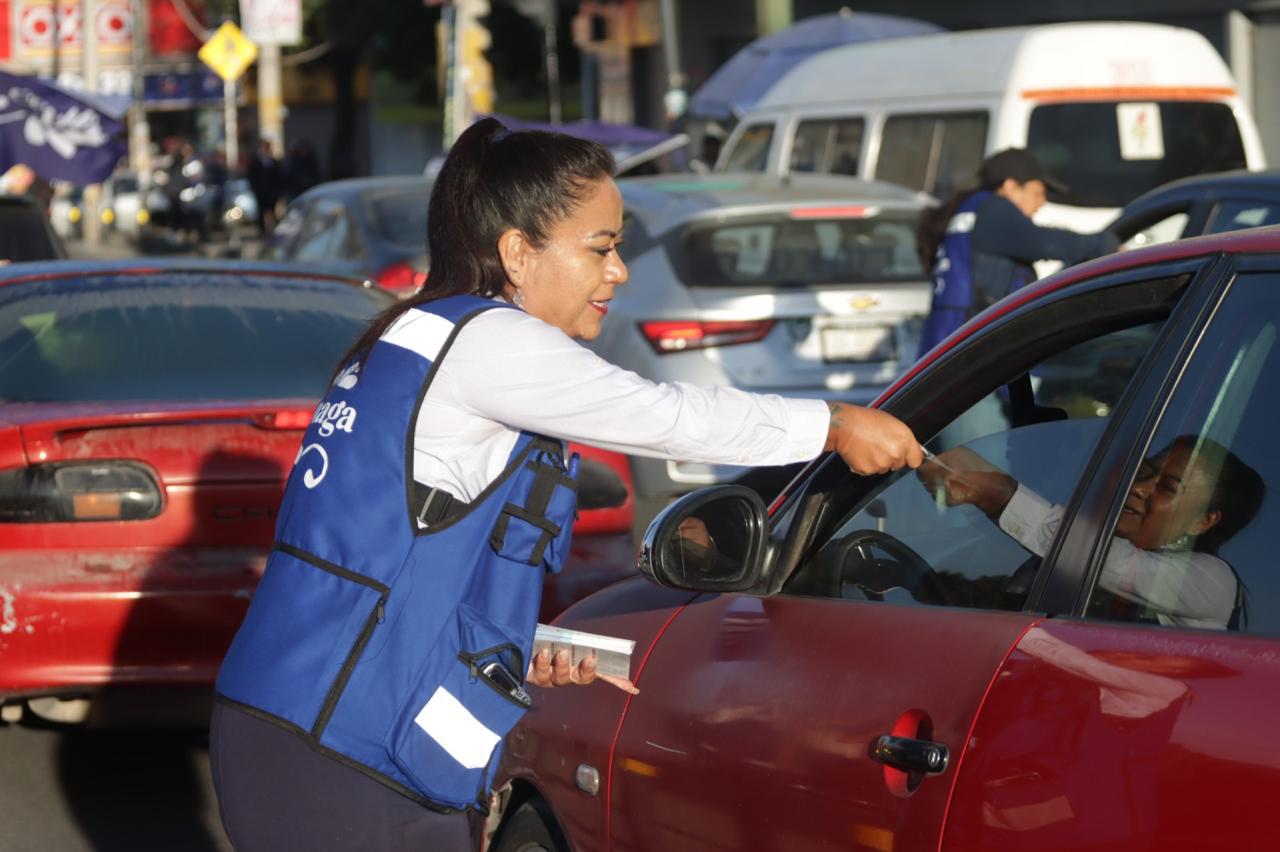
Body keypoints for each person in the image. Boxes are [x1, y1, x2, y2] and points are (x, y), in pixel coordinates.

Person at [208, 117, 922, 851]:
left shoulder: (426, 333)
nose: (618, 272)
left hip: (308, 725)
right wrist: (831, 425)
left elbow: (390, 560)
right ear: (518, 252)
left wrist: (516, 638)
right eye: (601, 248)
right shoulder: (490, 342)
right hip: (342, 749)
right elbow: (668, 416)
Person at [918, 435, 1264, 630]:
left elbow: (1108, 562)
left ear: (1202, 522)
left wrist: (999, 494)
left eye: (1169, 488)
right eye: (1146, 471)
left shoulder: (1213, 581)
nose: (1140, 488)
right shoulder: (1082, 546)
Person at [915, 148, 1120, 358]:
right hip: (975, 357)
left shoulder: (971, 210)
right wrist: (1105, 243)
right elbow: (1045, 243)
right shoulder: (994, 211)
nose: (1041, 203)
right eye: (1037, 193)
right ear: (1011, 187)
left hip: (949, 350)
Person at [247, 138, 282, 234]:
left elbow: (278, 175)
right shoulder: (256, 160)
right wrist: (254, 187)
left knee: (271, 209)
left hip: (272, 190)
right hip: (260, 190)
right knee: (261, 210)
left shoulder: (272, 160)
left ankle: (273, 228)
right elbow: (251, 174)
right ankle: (262, 229)